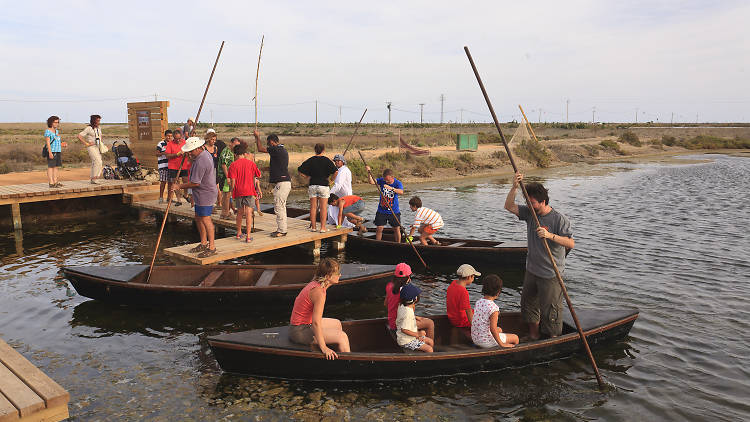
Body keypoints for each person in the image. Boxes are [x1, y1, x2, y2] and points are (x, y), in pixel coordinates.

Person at [505, 173, 574, 340]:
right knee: (528, 306)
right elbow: (509, 206)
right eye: (528, 202)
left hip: (550, 273)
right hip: (531, 270)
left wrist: (550, 236)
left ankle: (552, 340)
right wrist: (514, 187)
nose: (529, 205)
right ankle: (534, 336)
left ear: (543, 202)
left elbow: (570, 243)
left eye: (532, 202)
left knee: (551, 311)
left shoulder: (558, 219)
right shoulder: (530, 213)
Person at [289, 258, 351, 360]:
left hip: (305, 324)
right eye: (337, 273)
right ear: (327, 277)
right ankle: (349, 365)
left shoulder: (317, 283)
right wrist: (324, 348)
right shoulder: (319, 293)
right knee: (342, 336)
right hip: (299, 331)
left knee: (337, 324)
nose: (340, 275)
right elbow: (316, 323)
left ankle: (336, 354)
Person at [170, 137, 218, 258]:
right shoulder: (202, 154)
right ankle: (203, 242)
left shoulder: (202, 161)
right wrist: (189, 157)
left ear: (198, 148)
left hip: (205, 193)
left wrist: (178, 186)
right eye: (188, 151)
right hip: (200, 193)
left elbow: (195, 182)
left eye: (191, 151)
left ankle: (212, 247)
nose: (189, 153)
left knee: (206, 219)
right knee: (198, 217)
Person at [254, 130, 291, 237]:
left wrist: (257, 137)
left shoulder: (276, 149)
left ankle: (282, 230)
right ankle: (282, 229)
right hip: (285, 182)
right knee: (281, 206)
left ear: (272, 142)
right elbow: (275, 167)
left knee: (279, 207)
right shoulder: (282, 150)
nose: (268, 146)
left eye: (268, 143)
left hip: (282, 183)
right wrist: (262, 169)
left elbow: (260, 149)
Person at [385, 263, 434, 340]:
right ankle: (430, 346)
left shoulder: (389, 285)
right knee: (430, 323)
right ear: (408, 277)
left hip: (391, 321)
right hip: (399, 325)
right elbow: (408, 310)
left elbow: (386, 304)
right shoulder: (406, 291)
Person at [471, 274, 519, 348]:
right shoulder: (494, 309)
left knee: (499, 329)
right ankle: (511, 354)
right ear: (498, 292)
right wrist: (502, 344)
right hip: (485, 342)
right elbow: (492, 329)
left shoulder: (479, 302)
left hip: (476, 338)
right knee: (515, 338)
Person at [297, 143, 337, 233]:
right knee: (323, 208)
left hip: (313, 185)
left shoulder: (311, 160)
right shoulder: (326, 160)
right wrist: (331, 180)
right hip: (323, 185)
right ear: (323, 150)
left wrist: (307, 177)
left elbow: (299, 170)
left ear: (315, 150)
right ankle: (323, 228)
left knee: (313, 207)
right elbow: (335, 171)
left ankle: (313, 227)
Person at [228, 141, 261, 242]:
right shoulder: (251, 163)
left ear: (235, 154)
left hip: (238, 191)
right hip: (249, 191)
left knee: (239, 212)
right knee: (248, 213)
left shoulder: (233, 165)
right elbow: (258, 175)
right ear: (244, 153)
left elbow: (232, 181)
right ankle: (248, 236)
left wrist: (232, 191)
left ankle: (238, 233)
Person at [366, 167, 404, 243]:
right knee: (379, 228)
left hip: (394, 211)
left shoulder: (397, 183)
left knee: (396, 229)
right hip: (382, 210)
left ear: (392, 177)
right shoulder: (382, 180)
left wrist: (391, 188)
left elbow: (401, 192)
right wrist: (369, 173)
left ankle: (398, 244)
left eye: (387, 180)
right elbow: (372, 182)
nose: (386, 181)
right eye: (385, 179)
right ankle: (378, 243)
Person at [396, 284, 434, 353]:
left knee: (430, 341)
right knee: (429, 349)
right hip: (406, 341)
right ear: (415, 299)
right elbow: (404, 329)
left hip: (408, 337)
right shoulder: (408, 313)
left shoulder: (401, 305)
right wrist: (418, 334)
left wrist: (415, 317)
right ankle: (429, 361)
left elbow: (404, 316)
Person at [447, 264, 480, 329]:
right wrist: (474, 326)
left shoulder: (453, 283)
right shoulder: (463, 291)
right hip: (460, 321)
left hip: (452, 317)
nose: (473, 278)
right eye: (473, 276)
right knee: (484, 316)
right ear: (468, 277)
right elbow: (468, 311)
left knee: (478, 311)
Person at [165, 128, 190, 206]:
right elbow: (167, 156)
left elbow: (189, 151)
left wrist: (187, 154)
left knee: (186, 181)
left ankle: (185, 195)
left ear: (181, 137)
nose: (178, 140)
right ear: (173, 138)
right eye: (176, 139)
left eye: (179, 138)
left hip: (183, 165)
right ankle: (179, 200)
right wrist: (177, 154)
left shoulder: (184, 142)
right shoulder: (170, 144)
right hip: (173, 166)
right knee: (175, 182)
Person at [218, 137, 240, 219]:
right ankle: (225, 213)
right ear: (231, 143)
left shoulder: (232, 151)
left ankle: (226, 212)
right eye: (236, 145)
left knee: (228, 194)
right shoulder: (226, 151)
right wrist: (227, 177)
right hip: (225, 176)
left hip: (230, 176)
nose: (236, 147)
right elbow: (224, 165)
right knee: (226, 195)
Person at [77, 114, 103, 184]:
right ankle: (95, 178)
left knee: (97, 162)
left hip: (98, 146)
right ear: (94, 121)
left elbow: (100, 136)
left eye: (99, 120)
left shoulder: (99, 128)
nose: (99, 122)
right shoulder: (89, 128)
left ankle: (93, 178)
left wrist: (101, 144)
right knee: (98, 161)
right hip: (91, 147)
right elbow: (79, 136)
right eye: (97, 120)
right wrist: (86, 143)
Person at [43, 115, 65, 188]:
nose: (57, 124)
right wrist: (50, 152)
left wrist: (62, 144)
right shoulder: (48, 131)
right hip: (52, 151)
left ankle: (56, 182)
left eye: (58, 122)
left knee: (56, 167)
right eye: (55, 122)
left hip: (58, 151)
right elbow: (48, 143)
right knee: (50, 167)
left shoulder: (57, 131)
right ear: (51, 123)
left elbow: (57, 141)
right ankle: (51, 183)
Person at [204, 129, 220, 211]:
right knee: (207, 188)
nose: (213, 141)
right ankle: (210, 205)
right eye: (212, 139)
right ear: (208, 139)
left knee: (215, 187)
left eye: (215, 140)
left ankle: (217, 203)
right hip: (205, 171)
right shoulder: (203, 148)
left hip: (213, 170)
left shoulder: (215, 148)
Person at [155, 130, 172, 203]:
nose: (169, 137)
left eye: (171, 136)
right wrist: (164, 153)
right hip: (163, 165)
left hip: (171, 165)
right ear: (165, 136)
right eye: (168, 136)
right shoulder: (161, 143)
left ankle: (169, 198)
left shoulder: (172, 143)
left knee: (170, 182)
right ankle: (161, 197)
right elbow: (156, 154)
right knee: (163, 182)